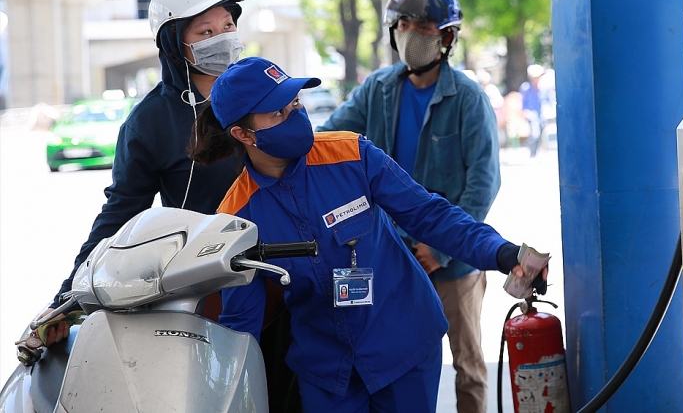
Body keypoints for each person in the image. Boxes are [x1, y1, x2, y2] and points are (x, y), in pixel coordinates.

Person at [187, 56, 546, 413]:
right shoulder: (237, 217)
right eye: (278, 113)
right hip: (328, 371)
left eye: (295, 102)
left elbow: (430, 215)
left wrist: (502, 253)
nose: (295, 115)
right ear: (244, 134)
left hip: (404, 345)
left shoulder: (352, 155)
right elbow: (242, 324)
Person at [37, 0, 302, 412]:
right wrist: (66, 300)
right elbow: (119, 215)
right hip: (214, 296)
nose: (223, 38)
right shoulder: (150, 123)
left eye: (228, 26)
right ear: (175, 44)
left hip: (293, 277)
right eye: (206, 32)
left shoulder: (269, 93)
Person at [318, 0, 500, 412]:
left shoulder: (468, 98)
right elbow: (328, 140)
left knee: (468, 364)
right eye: (402, 24)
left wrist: (440, 247)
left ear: (446, 37)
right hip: (393, 255)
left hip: (453, 261)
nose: (410, 33)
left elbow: (483, 182)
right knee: (398, 360)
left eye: (422, 26)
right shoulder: (378, 89)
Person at [520, 64, 545, 157]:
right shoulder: (525, 87)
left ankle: (538, 153)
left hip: (542, 115)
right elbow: (523, 102)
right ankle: (533, 154)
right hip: (531, 115)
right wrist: (524, 112)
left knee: (541, 135)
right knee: (535, 134)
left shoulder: (543, 88)